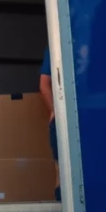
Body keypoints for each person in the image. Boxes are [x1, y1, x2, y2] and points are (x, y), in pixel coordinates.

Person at [38, 46, 61, 201]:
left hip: (64, 120)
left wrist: (55, 112)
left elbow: (44, 85)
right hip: (65, 119)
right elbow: (44, 85)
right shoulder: (55, 48)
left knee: (62, 173)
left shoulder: (56, 45)